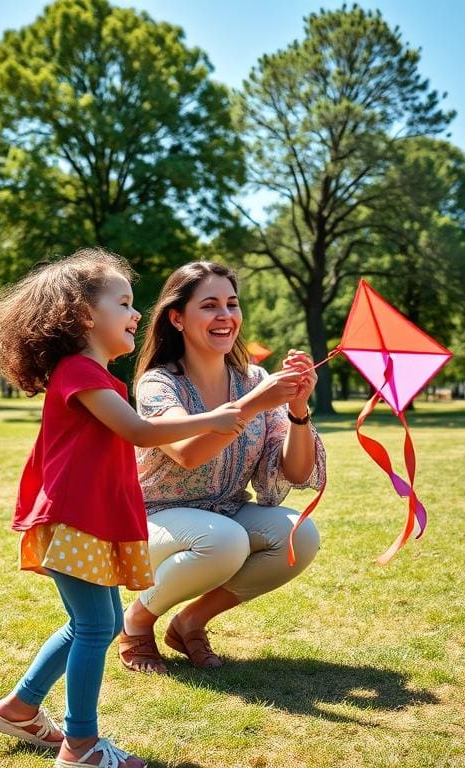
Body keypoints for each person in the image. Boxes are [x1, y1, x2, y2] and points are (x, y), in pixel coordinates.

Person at [0, 250, 244, 768]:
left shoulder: (92, 374)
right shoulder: (81, 372)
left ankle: (19, 707)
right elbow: (140, 431)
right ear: (84, 318)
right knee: (98, 627)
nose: (136, 313)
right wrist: (211, 419)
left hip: (87, 521)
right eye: (123, 302)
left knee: (90, 624)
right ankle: (80, 746)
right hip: (76, 520)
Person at [118, 261, 325, 674]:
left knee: (299, 534)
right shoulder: (159, 383)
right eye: (210, 305)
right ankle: (136, 622)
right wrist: (256, 404)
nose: (225, 316)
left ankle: (190, 622)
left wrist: (298, 411)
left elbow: (297, 472)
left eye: (232, 304)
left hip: (224, 511)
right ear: (177, 318)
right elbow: (188, 453)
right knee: (226, 540)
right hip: (155, 520)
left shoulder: (254, 379)